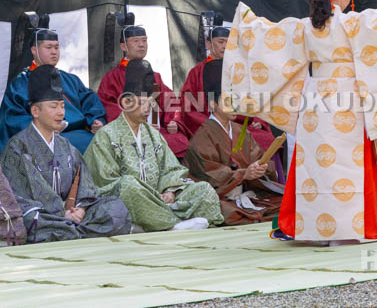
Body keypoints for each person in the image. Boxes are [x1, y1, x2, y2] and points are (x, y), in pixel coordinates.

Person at [223, 0, 377, 242]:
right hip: (347, 102)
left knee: (315, 166)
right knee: (346, 166)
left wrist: (247, 23)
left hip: (314, 102)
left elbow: (269, 40)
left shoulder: (305, 26)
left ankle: (313, 228)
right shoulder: (352, 24)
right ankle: (349, 227)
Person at [84, 59, 223, 232]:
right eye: (141, 103)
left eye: (150, 104)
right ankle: (171, 223)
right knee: (129, 185)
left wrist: (169, 191)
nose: (147, 109)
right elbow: (105, 183)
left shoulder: (153, 135)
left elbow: (171, 169)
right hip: (127, 200)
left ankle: (156, 220)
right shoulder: (106, 135)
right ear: (126, 103)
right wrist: (149, 195)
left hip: (161, 198)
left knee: (203, 189)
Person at [0, 65, 131, 243]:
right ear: (35, 111)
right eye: (54, 106)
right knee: (31, 220)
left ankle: (70, 230)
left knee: (116, 209)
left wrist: (80, 208)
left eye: (62, 106)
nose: (61, 112)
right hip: (41, 214)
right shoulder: (17, 147)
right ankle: (76, 230)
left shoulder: (66, 146)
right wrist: (62, 211)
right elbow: (21, 197)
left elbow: (85, 186)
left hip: (70, 214)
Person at [184, 60, 283, 225]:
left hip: (247, 192)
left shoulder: (239, 130)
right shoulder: (202, 136)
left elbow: (257, 157)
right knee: (224, 211)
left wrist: (261, 167)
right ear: (213, 104)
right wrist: (244, 173)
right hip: (222, 197)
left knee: (286, 200)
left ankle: (250, 214)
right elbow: (210, 176)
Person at [0, 25, 105, 154]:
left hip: (82, 134)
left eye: (56, 47)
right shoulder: (21, 83)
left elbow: (90, 101)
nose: (54, 52)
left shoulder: (70, 79)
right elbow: (12, 118)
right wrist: (43, 127)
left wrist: (96, 120)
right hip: (45, 140)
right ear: (34, 50)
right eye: (48, 47)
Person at [180, 23, 276, 152]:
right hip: (210, 123)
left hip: (238, 123)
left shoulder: (238, 70)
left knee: (265, 139)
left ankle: (263, 172)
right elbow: (188, 108)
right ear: (209, 45)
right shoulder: (197, 72)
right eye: (220, 42)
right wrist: (212, 124)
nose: (225, 46)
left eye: (228, 42)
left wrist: (257, 120)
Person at [97, 24, 189, 157]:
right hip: (130, 131)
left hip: (156, 130)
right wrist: (138, 124)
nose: (142, 45)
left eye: (144, 40)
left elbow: (170, 101)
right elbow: (109, 106)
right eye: (136, 41)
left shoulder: (155, 76)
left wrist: (174, 122)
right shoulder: (112, 77)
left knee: (180, 141)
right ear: (123, 46)